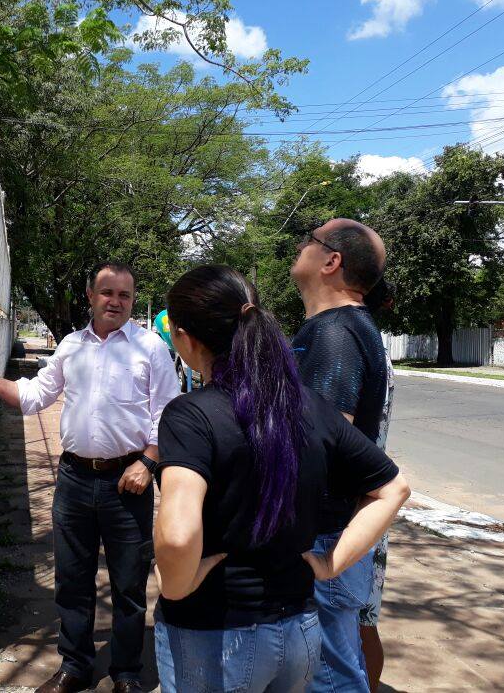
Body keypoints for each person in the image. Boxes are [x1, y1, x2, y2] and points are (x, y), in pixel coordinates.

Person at [152, 264, 410, 693]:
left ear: (182, 336)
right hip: (299, 634)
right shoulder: (307, 405)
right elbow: (393, 489)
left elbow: (178, 538)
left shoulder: (190, 415)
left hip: (215, 637)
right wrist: (332, 564)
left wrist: (176, 584)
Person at [0, 262, 179, 693]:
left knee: (129, 584)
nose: (116, 301)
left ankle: (127, 671)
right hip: (74, 480)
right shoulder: (72, 345)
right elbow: (36, 395)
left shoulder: (150, 347)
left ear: (132, 300)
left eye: (125, 295)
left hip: (129, 481)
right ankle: (75, 667)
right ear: (91, 295)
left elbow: (168, 411)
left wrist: (147, 462)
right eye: (107, 292)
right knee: (73, 581)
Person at [290, 218, 390, 693]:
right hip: (330, 528)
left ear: (331, 262)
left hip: (323, 532)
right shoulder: (341, 328)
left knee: (328, 674)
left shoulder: (335, 335)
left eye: (310, 239)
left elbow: (320, 443)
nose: (300, 245)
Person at [358, 278, 397, 693]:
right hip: (370, 504)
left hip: (356, 509)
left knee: (357, 622)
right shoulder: (376, 349)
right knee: (364, 619)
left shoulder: (354, 347)